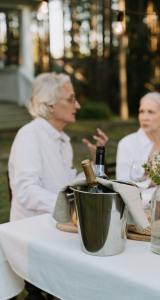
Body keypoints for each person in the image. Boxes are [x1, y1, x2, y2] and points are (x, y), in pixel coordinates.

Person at [8, 73, 108, 300]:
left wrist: (94, 164)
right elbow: (26, 191)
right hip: (34, 238)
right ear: (50, 104)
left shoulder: (61, 140)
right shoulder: (30, 136)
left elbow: (66, 184)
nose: (78, 105)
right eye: (71, 99)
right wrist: (70, 208)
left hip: (59, 229)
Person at [116, 92, 160, 192]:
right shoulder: (126, 144)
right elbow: (121, 184)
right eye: (141, 111)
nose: (144, 117)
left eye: (151, 112)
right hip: (139, 205)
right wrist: (149, 183)